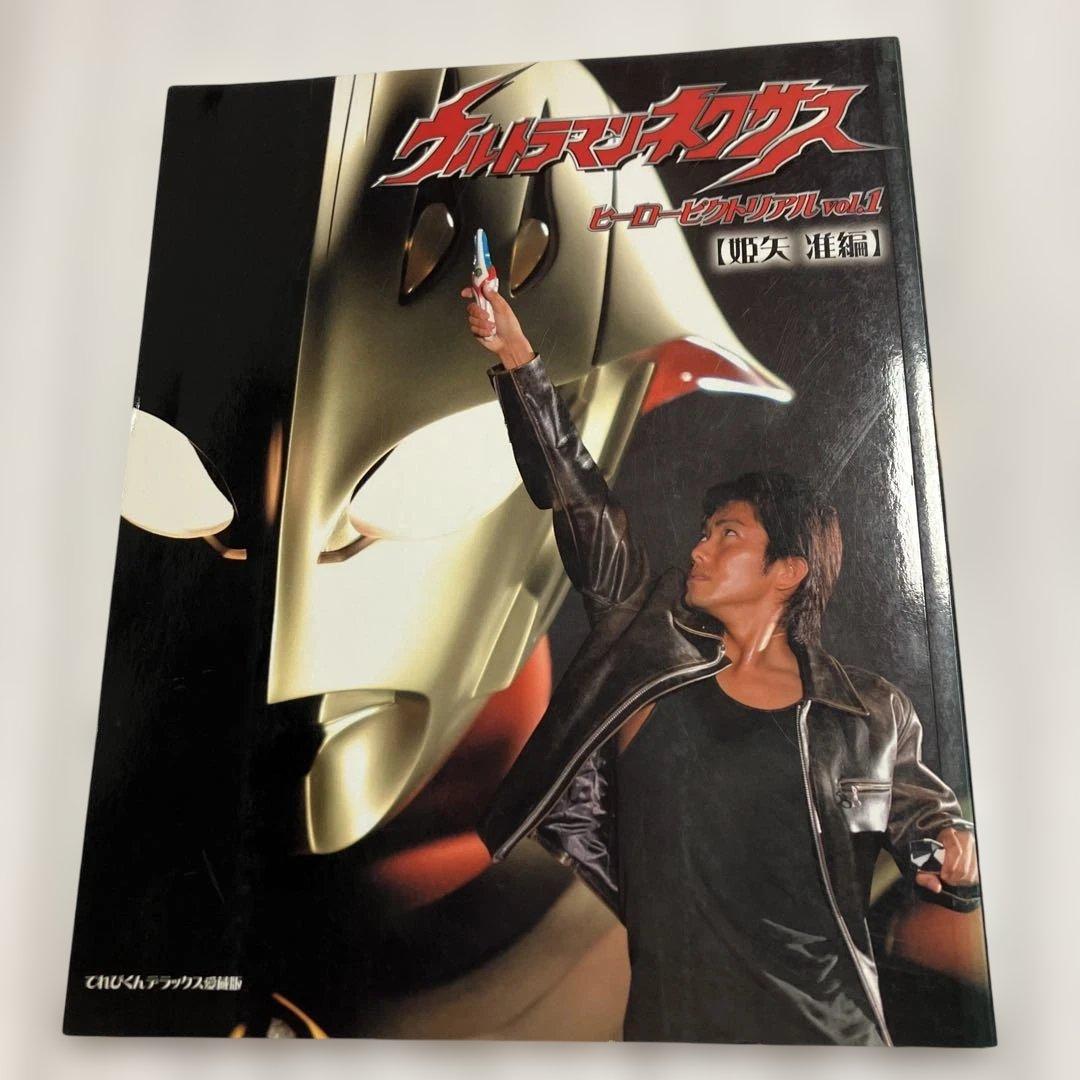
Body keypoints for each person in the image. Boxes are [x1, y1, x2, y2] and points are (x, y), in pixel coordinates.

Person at [461, 282, 980, 1046]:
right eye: (705, 531)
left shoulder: (869, 714)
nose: (700, 548)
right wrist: (517, 358)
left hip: (832, 1041)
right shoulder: (645, 653)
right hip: (674, 1038)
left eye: (727, 534)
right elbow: (580, 499)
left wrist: (955, 856)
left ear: (788, 570)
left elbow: (928, 825)